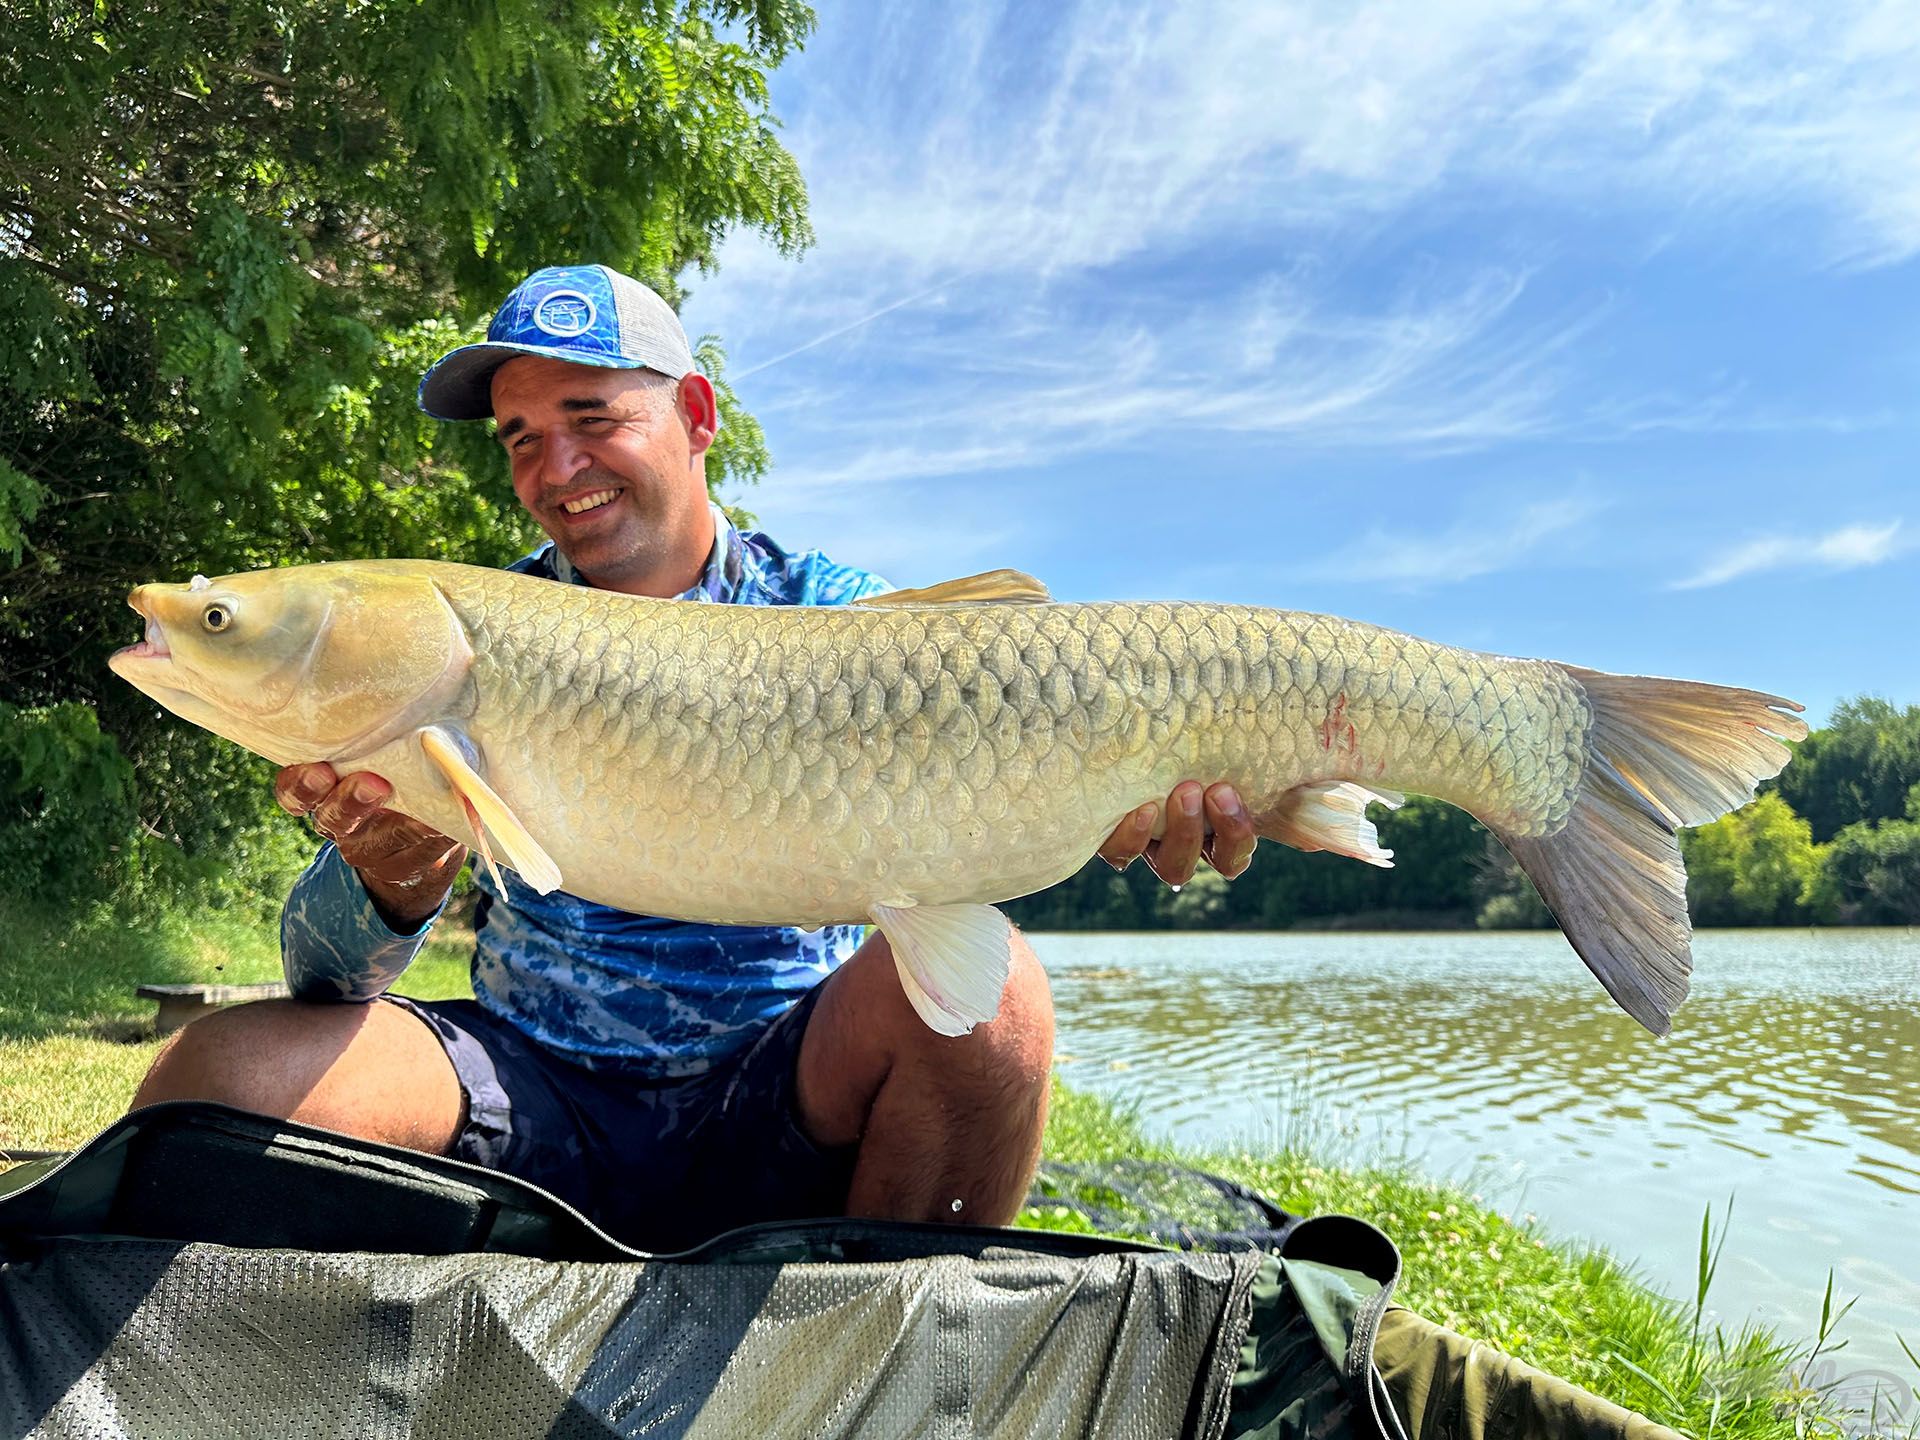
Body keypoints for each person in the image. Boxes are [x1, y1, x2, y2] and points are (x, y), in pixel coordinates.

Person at [132, 264, 1260, 1250]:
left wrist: (1132, 793)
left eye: (593, 416)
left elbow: (1015, 809)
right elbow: (327, 986)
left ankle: (888, 1357)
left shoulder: (840, 614)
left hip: (785, 1084)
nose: (556, 463)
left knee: (1001, 1000)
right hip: (532, 1089)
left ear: (698, 416)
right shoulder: (461, 636)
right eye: (522, 437)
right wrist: (388, 880)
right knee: (216, 1088)